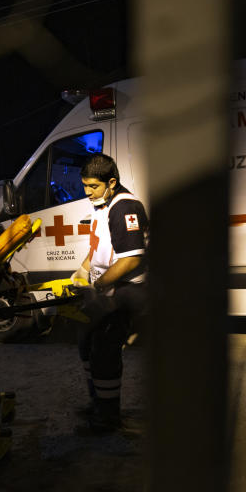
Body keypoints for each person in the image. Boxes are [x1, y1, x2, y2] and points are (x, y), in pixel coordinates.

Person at [72, 153, 149, 432]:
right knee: (86, 344)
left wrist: (98, 285)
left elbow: (130, 259)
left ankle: (108, 417)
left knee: (104, 351)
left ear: (111, 181)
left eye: (92, 186)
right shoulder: (102, 204)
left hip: (124, 291)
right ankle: (99, 403)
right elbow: (99, 247)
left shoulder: (124, 206)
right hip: (105, 288)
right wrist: (82, 270)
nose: (87, 192)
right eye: (84, 185)